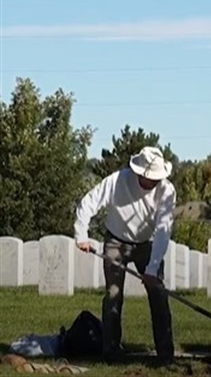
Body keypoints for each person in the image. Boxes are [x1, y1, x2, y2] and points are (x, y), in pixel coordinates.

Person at [73, 146, 176, 365]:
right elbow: (88, 202)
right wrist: (81, 234)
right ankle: (110, 351)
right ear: (140, 174)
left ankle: (165, 354)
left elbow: (163, 231)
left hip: (147, 244)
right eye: (151, 178)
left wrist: (151, 269)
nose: (155, 182)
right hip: (116, 241)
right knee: (113, 295)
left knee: (158, 296)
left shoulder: (167, 191)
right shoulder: (117, 181)